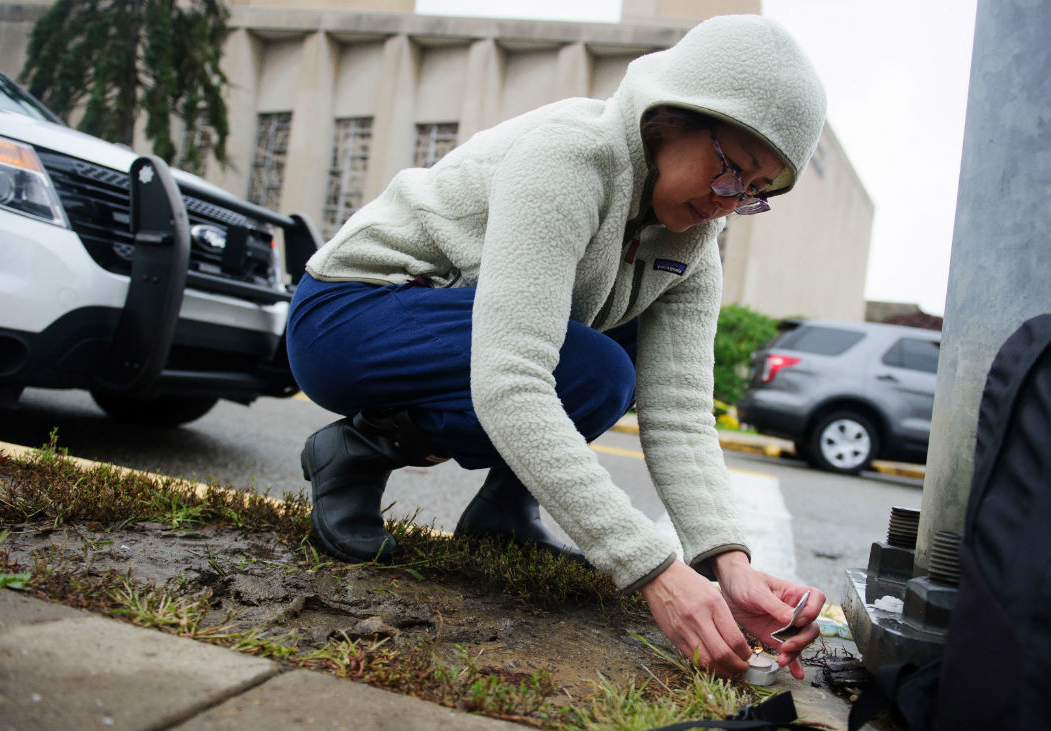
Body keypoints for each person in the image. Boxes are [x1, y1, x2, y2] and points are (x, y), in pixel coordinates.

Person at [286, 14, 828, 679]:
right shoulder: (570, 155)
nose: (728, 201)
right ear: (676, 115)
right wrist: (654, 568)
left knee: (607, 366)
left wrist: (728, 565)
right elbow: (511, 380)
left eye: (753, 192)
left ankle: (505, 511)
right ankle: (358, 449)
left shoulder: (691, 243)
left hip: (451, 326)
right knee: (591, 363)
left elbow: (681, 412)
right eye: (731, 170)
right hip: (351, 311)